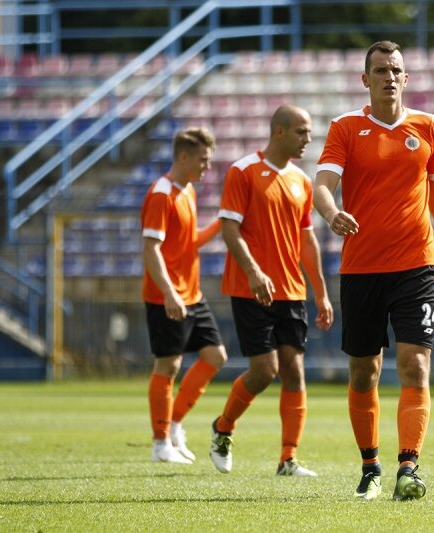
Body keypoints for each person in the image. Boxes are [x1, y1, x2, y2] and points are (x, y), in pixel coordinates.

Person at [313, 40, 434, 501]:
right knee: (365, 372)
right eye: (380, 70)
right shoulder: (346, 127)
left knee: (416, 364)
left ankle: (409, 468)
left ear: (406, 78)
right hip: (361, 268)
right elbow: (322, 185)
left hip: (418, 264)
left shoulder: (429, 126)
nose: (389, 77)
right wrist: (331, 213)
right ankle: (370, 466)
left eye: (396, 70)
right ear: (366, 79)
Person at [209, 104, 333, 477]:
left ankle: (288, 459)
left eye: (309, 132)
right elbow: (229, 229)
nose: (308, 139)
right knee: (264, 370)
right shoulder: (243, 171)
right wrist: (254, 272)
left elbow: (306, 240)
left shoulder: (302, 181)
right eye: (301, 131)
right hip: (251, 289)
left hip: (291, 292)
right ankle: (223, 428)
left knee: (294, 372)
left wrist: (321, 292)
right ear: (279, 131)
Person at [141, 127, 228, 464]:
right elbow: (151, 249)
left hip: (192, 293)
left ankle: (174, 424)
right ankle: (160, 444)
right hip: (166, 295)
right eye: (203, 159)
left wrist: (222, 222)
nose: (207, 166)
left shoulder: (187, 191)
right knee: (168, 364)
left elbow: (189, 242)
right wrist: (168, 293)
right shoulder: (161, 194)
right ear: (183, 156)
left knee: (215, 356)